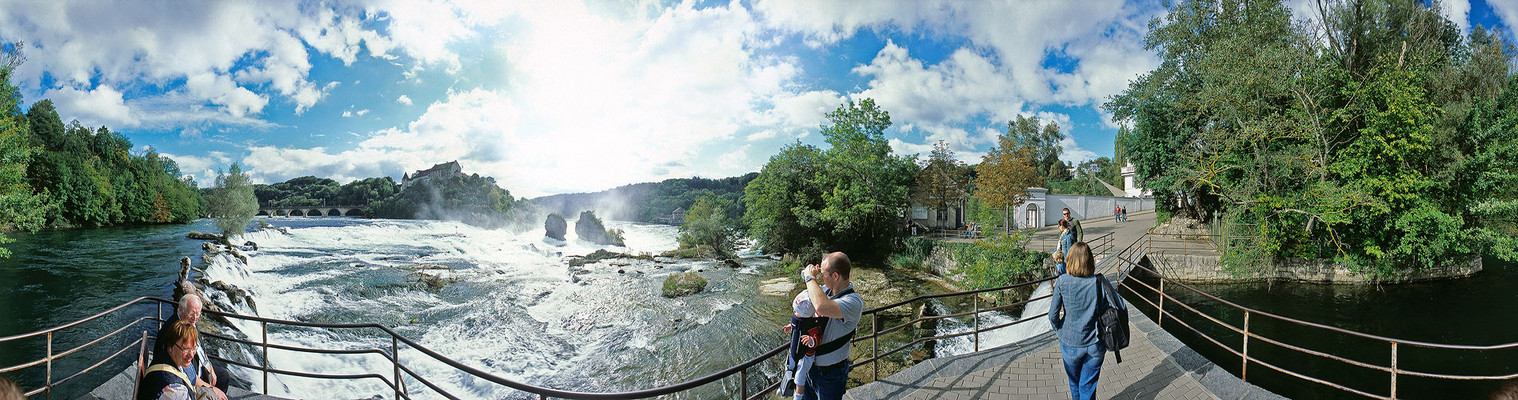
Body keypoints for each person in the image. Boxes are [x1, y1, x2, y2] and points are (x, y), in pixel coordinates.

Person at [1049, 242, 1126, 400]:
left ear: (1069, 260)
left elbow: (1052, 316)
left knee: (1074, 383)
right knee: (1088, 386)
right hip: (1095, 343)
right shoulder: (1099, 282)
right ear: (1090, 260)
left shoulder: (1062, 281)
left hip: (1069, 342)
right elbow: (1121, 306)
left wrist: (1060, 331)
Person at [796, 252, 864, 400]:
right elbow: (805, 302)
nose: (821, 277)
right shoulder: (826, 291)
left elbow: (821, 306)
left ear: (835, 276)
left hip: (831, 373)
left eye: (824, 274)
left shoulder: (853, 302)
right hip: (811, 367)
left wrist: (810, 277)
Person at [152, 292, 229, 400]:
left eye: (198, 314)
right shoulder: (174, 332)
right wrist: (211, 388)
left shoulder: (189, 323)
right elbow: (185, 371)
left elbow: (200, 350)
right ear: (180, 310)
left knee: (223, 377)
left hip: (194, 367)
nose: (195, 318)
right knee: (214, 392)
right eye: (192, 313)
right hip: (184, 375)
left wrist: (210, 368)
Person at [777, 291, 827, 397]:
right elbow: (798, 326)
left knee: (800, 377)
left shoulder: (812, 324)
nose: (794, 311)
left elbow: (819, 338)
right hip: (795, 350)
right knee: (789, 366)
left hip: (806, 356)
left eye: (796, 311)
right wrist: (790, 326)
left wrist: (811, 341)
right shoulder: (801, 320)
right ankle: (784, 386)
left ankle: (798, 396)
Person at [138, 320, 198, 400]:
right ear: (170, 347)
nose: (191, 355)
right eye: (185, 349)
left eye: (193, 348)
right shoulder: (175, 390)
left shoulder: (163, 357)